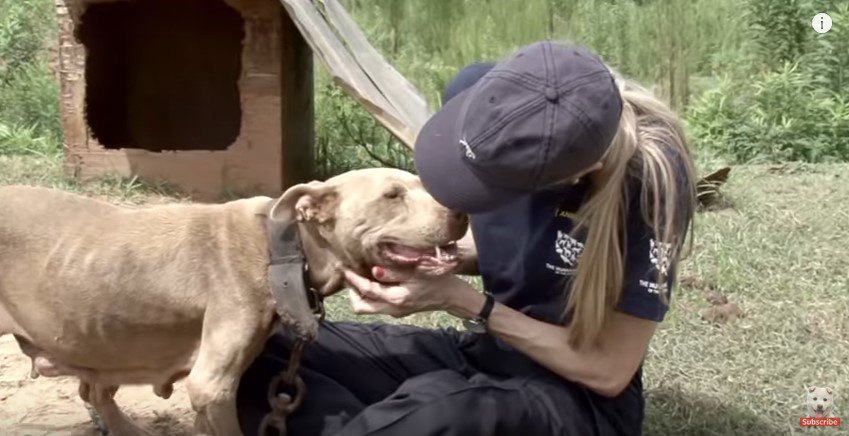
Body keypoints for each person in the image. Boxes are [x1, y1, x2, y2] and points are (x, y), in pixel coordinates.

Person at [236, 40, 697, 436]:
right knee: (266, 349)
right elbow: (517, 245)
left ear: (580, 174)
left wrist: (465, 302)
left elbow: (608, 371)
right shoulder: (487, 103)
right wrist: (445, 260)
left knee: (441, 412)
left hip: (575, 396)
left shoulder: (649, 185)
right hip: (484, 353)